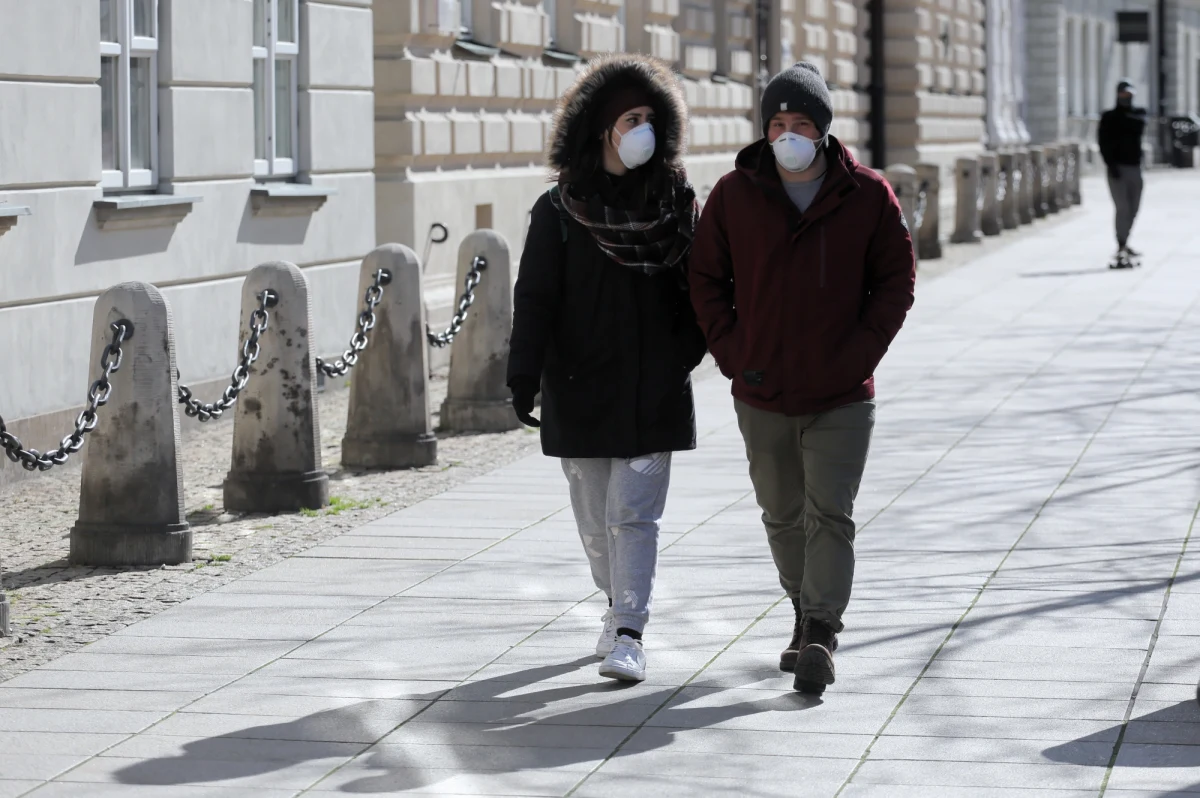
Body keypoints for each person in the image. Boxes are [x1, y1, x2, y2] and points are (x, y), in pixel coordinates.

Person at [688, 62, 915, 695]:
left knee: (830, 513)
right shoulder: (734, 194)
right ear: (765, 130)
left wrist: (861, 353)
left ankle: (820, 629)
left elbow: (896, 279)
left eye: (801, 124)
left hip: (841, 391)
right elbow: (705, 279)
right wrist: (733, 351)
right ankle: (800, 608)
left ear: (822, 131)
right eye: (777, 123)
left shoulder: (867, 195)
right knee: (781, 513)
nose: (787, 134)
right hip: (760, 386)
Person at [506, 54, 707, 683]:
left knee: (634, 517)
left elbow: (700, 288)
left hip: (653, 389)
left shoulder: (676, 202)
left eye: (651, 117)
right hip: (579, 386)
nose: (643, 128)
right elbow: (533, 296)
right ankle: (614, 602)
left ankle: (629, 632)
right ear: (602, 127)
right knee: (596, 523)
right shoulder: (561, 210)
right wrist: (523, 374)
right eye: (631, 117)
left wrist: (684, 353)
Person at [1098, 79, 1147, 264]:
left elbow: (1137, 126)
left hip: (1135, 167)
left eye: (1129, 95)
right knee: (1122, 207)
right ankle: (1121, 244)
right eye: (1123, 95)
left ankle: (1125, 241)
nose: (1126, 98)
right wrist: (1111, 165)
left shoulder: (1138, 114)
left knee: (1134, 208)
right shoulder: (1109, 117)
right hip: (1117, 169)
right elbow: (1104, 142)